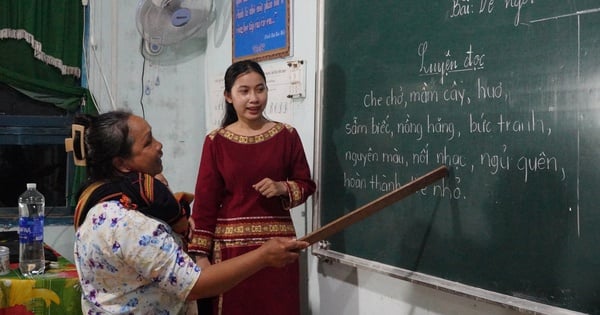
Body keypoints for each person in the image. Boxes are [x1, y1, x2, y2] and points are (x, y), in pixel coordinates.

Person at [69, 110, 308, 315]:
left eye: (259, 88)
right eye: (148, 142)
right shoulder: (127, 223)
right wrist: (263, 256)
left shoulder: (105, 202)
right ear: (122, 164)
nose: (159, 145)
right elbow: (194, 284)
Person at [188, 60, 316, 315]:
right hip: (230, 252)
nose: (254, 98)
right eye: (244, 91)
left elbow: (306, 184)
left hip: (279, 249)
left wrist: (283, 188)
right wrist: (200, 256)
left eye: (260, 89)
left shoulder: (286, 135)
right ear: (228, 96)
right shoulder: (216, 142)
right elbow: (205, 202)